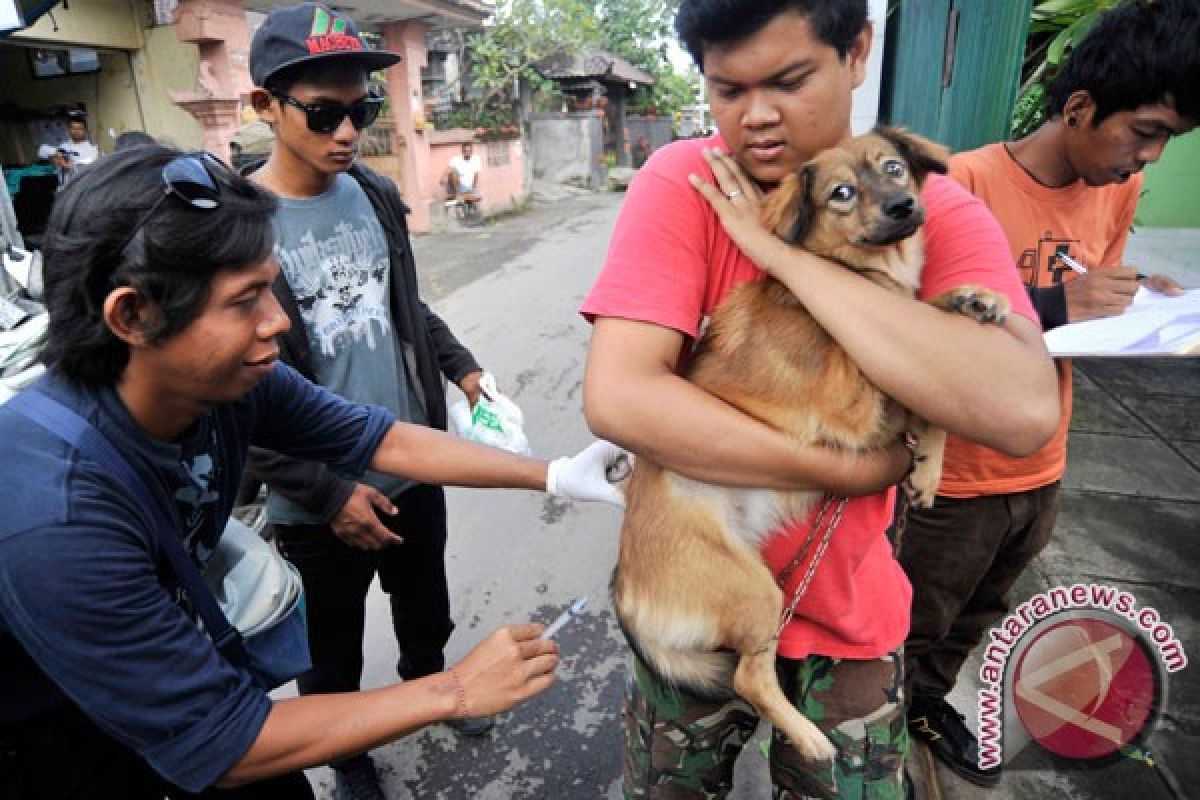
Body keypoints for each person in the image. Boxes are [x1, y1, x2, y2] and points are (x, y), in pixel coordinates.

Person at [0, 145, 624, 799]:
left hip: (180, 670)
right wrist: (454, 689)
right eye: (245, 301)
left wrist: (555, 475)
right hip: (73, 736)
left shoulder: (233, 383)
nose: (278, 320)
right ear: (134, 316)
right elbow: (223, 742)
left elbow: (375, 436)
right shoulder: (52, 513)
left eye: (272, 285)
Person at [579, 0, 1061, 797]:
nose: (757, 117)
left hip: (852, 615)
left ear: (857, 51)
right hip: (695, 586)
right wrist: (852, 468)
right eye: (727, 90)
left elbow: (1022, 412)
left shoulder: (922, 206)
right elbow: (622, 398)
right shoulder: (690, 181)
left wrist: (782, 254)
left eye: (789, 79)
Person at [898, 0, 1198, 786]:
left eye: (1169, 140)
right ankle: (877, 727)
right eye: (1146, 130)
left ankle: (925, 706)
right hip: (952, 475)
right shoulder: (960, 185)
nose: (1151, 158)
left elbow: (1093, 294)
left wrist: (1145, 301)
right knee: (912, 618)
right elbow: (911, 329)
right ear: (1078, 107)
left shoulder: (1116, 189)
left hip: (1042, 464)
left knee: (978, 612)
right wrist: (1061, 304)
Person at [240, 6, 494, 797]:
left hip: (408, 463)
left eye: (363, 110)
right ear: (265, 108)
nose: (347, 131)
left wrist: (462, 371)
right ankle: (347, 757)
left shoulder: (374, 195)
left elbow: (403, 307)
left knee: (427, 616)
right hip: (314, 502)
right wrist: (325, 489)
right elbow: (228, 393)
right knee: (330, 653)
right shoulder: (233, 229)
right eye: (324, 112)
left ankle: (433, 690)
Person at [55, 113, 99, 179]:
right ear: (69, 129)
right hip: (69, 185)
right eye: (73, 128)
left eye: (80, 129)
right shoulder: (63, 147)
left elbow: (96, 168)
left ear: (85, 130)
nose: (76, 131)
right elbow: (60, 166)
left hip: (88, 184)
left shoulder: (92, 147)